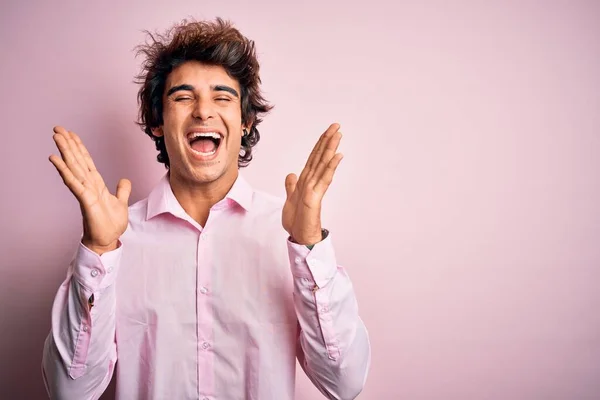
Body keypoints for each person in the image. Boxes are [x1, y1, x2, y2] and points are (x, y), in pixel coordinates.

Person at [42, 18, 371, 400]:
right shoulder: (115, 241)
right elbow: (69, 391)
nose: (203, 112)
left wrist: (310, 245)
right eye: (183, 97)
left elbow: (345, 383)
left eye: (222, 97)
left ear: (246, 122)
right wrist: (97, 251)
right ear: (157, 124)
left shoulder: (289, 235)